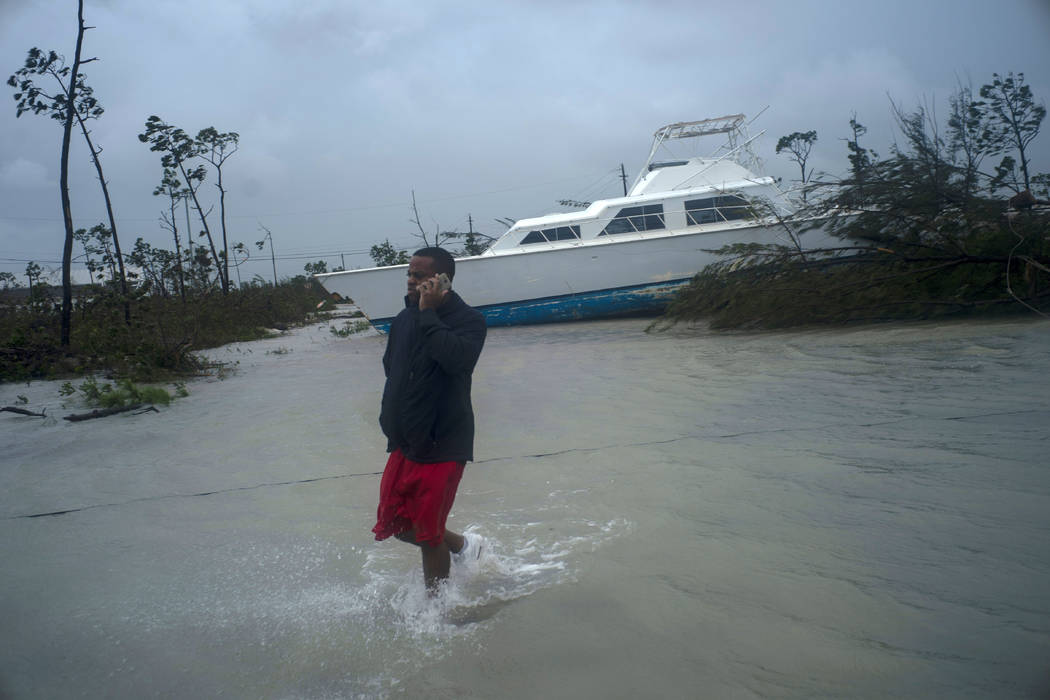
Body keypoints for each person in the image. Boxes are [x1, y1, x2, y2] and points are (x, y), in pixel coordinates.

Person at [372, 246, 487, 593]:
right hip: (406, 441)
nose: (410, 280)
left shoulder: (470, 321)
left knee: (427, 534)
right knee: (399, 525)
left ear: (442, 281)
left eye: (419, 276)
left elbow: (456, 361)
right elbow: (392, 369)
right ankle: (464, 546)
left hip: (443, 443)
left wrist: (428, 314)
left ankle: (436, 612)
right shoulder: (403, 319)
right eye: (409, 274)